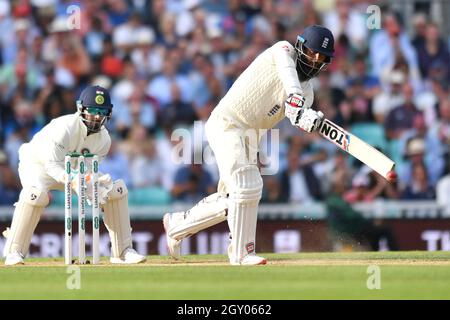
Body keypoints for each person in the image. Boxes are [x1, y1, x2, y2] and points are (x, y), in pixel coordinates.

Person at [163, 25, 334, 265]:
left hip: (251, 138)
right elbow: (289, 78)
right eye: (312, 52)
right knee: (247, 184)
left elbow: (295, 115)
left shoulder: (308, 93)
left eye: (322, 58)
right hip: (227, 123)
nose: (315, 61)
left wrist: (307, 119)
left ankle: (177, 225)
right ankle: (241, 253)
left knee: (234, 197)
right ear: (300, 45)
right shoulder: (282, 50)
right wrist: (296, 99)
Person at [2, 85, 146, 265]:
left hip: (74, 170)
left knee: (115, 190)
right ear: (81, 109)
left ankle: (123, 251)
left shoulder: (104, 139)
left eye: (101, 112)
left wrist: (91, 185)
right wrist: (73, 180)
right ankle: (14, 251)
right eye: (92, 111)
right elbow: (52, 165)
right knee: (35, 195)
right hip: (38, 165)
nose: (97, 117)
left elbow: (86, 169)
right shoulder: (65, 127)